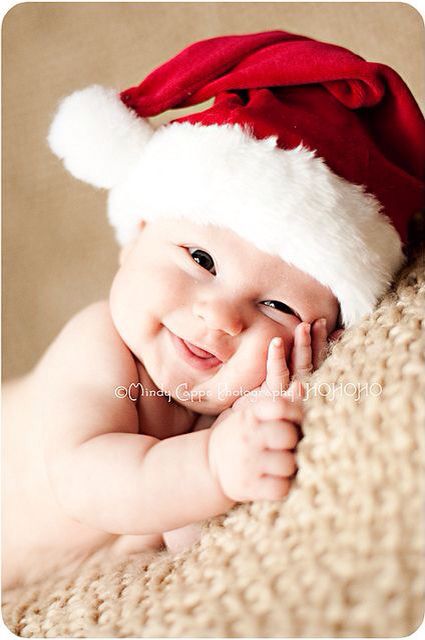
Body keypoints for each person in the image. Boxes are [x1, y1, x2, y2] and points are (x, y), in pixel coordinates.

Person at [3, 30, 424, 590]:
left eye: (276, 305)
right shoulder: (99, 345)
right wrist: (213, 465)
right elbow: (85, 483)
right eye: (201, 259)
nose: (223, 317)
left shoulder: (217, 414)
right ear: (138, 236)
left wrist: (244, 426)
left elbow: (188, 538)